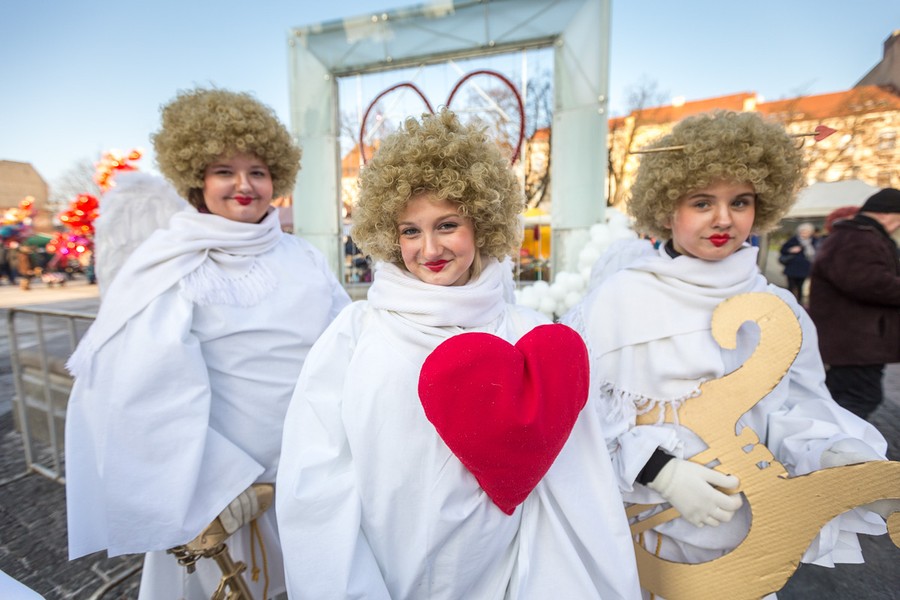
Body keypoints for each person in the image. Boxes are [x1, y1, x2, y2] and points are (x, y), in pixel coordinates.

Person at [276, 109, 641, 599]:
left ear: (482, 223)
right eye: (410, 230)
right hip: (384, 573)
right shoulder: (353, 334)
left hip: (511, 577)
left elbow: (578, 482)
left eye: (447, 225)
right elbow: (316, 479)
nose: (429, 249)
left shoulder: (528, 334)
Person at [564, 110, 894, 597]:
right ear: (667, 209)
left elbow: (792, 409)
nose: (723, 219)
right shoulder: (613, 303)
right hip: (637, 545)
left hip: (743, 547)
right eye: (702, 202)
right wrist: (657, 469)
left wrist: (837, 457)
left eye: (740, 201)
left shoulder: (778, 308)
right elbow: (577, 420)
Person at [64, 87, 351, 599]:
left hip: (312, 473)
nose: (244, 185)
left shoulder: (304, 256)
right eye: (224, 171)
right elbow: (147, 391)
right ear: (197, 178)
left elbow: (344, 345)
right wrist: (215, 487)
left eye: (258, 171)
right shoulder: (170, 262)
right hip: (225, 494)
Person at [809, 188, 900, 419]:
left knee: (845, 396)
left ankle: (829, 435)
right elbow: (868, 282)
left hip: (854, 341)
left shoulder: (857, 236)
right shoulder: (858, 238)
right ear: (886, 213)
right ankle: (836, 439)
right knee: (859, 397)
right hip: (854, 341)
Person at [778, 221, 818, 304]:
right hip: (792, 267)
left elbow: (817, 253)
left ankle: (799, 303)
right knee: (791, 286)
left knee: (800, 286)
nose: (804, 233)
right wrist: (791, 250)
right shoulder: (793, 240)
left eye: (806, 232)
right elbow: (783, 250)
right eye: (802, 231)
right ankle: (788, 302)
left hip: (804, 268)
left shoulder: (814, 241)